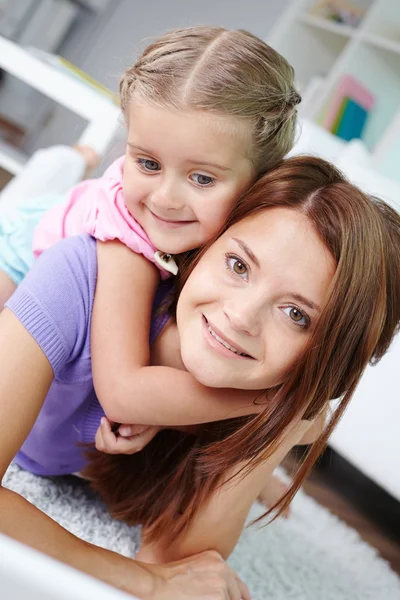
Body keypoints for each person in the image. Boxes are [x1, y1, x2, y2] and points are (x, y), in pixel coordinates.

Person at [1, 157, 399, 590]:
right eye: (238, 265)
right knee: (51, 170)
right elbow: (161, 577)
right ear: (206, 247)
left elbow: (177, 561)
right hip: (27, 240)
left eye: (295, 314)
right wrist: (146, 583)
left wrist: (283, 421)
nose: (241, 317)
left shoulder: (270, 391)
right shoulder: (78, 280)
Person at [0, 26, 301, 445]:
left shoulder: (247, 242)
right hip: (14, 255)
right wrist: (274, 401)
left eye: (200, 177)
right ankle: (69, 160)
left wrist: (159, 415)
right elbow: (124, 392)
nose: (165, 199)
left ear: (260, 183)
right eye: (147, 163)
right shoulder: (128, 243)